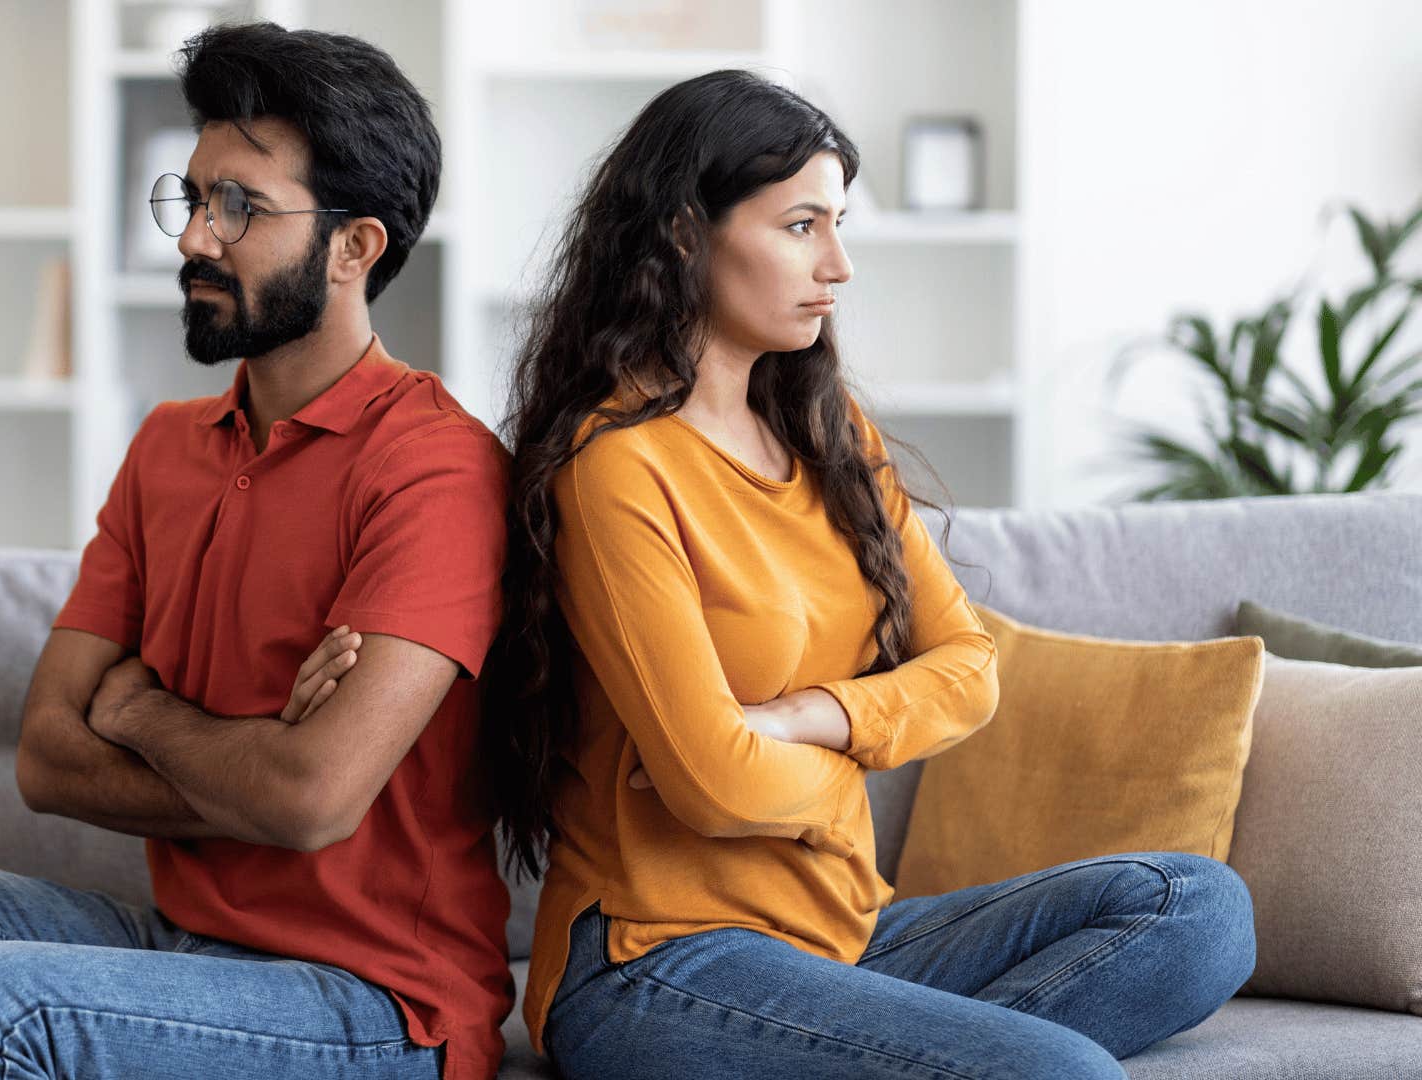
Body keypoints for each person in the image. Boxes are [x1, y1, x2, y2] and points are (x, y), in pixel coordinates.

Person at [0, 22, 514, 1080]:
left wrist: (143, 714)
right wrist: (263, 773)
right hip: (174, 949)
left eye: (240, 207)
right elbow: (47, 760)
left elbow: (314, 800)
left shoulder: (437, 468)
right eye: (192, 199)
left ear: (354, 247)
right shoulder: (165, 448)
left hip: (374, 1002)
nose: (195, 239)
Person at [473, 69, 1258, 1080]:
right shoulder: (617, 464)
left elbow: (972, 666)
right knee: (1054, 1071)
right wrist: (852, 744)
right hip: (658, 956)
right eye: (802, 225)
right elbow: (712, 786)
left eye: (840, 224)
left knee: (1196, 908)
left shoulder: (831, 436)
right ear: (682, 234)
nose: (838, 264)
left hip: (850, 934)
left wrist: (803, 718)